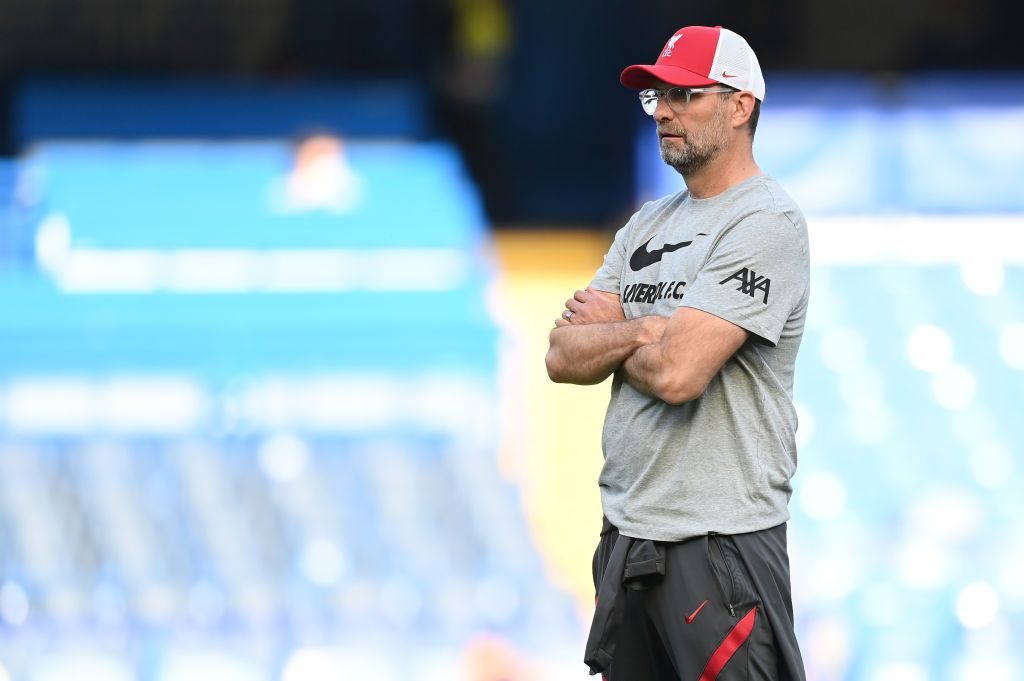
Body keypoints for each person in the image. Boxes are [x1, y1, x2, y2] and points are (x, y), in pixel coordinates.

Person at [545, 26, 808, 680]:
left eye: (685, 94)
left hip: (719, 547)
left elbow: (679, 371)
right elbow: (560, 354)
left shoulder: (766, 221)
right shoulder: (646, 223)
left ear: (741, 105)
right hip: (628, 539)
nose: (663, 110)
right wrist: (644, 330)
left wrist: (625, 330)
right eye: (657, 96)